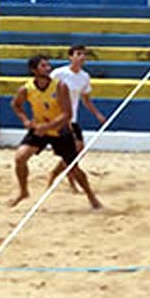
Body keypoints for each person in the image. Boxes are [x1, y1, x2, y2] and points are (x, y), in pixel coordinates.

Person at [9, 54, 102, 209]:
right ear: (33, 70)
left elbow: (67, 114)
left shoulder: (60, 86)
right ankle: (23, 191)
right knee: (20, 158)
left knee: (72, 166)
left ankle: (91, 196)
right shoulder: (26, 89)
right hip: (40, 130)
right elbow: (16, 105)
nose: (48, 68)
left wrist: (47, 127)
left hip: (60, 131)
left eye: (47, 65)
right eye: (43, 66)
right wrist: (25, 120)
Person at [49, 45, 107, 191]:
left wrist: (97, 114)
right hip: (59, 118)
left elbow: (86, 100)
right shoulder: (59, 73)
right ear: (70, 57)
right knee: (74, 150)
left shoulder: (84, 77)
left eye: (84, 55)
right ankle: (61, 176)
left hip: (73, 118)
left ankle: (60, 175)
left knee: (78, 151)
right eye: (78, 54)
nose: (82, 57)